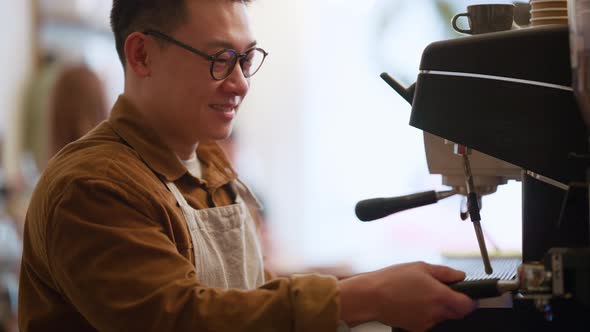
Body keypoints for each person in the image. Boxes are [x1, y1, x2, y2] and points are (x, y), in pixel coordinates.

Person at [18, 1, 477, 331]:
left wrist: (372, 281)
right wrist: (366, 296)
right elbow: (182, 318)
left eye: (246, 58)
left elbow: (247, 294)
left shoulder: (209, 164)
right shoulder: (93, 186)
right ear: (141, 55)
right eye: (220, 59)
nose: (239, 83)